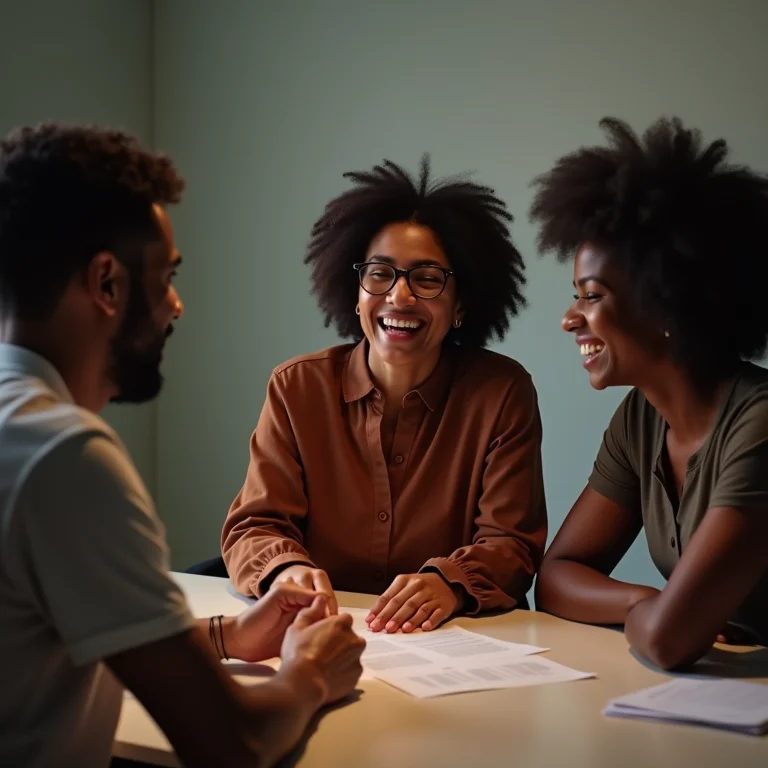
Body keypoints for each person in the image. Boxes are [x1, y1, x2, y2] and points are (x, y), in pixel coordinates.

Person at [0, 123, 364, 768]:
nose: (176, 305)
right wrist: (308, 672)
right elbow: (235, 742)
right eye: (166, 276)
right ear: (107, 283)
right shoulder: (66, 457)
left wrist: (228, 634)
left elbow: (53, 625)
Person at [223, 155, 547, 634]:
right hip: (316, 633)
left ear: (461, 303)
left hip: (448, 647)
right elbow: (255, 526)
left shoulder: (501, 393)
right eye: (380, 273)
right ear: (354, 291)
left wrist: (449, 584)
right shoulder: (297, 387)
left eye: (427, 277)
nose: (400, 296)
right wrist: (285, 570)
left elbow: (511, 546)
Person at [530, 116, 768, 669]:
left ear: (665, 305)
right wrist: (650, 602)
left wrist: (666, 621)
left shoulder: (758, 424)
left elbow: (667, 642)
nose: (570, 319)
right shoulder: (640, 417)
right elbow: (557, 577)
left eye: (591, 297)